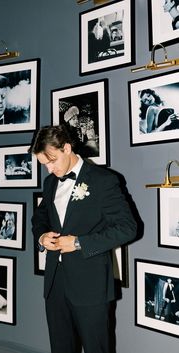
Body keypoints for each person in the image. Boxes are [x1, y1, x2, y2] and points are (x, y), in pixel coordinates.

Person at [29, 125, 137, 353]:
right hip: (55, 284)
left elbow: (128, 228)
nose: (49, 169)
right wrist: (41, 236)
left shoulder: (103, 180)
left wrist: (79, 242)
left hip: (91, 285)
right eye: (44, 164)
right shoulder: (50, 183)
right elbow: (39, 218)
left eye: (52, 161)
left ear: (67, 148)